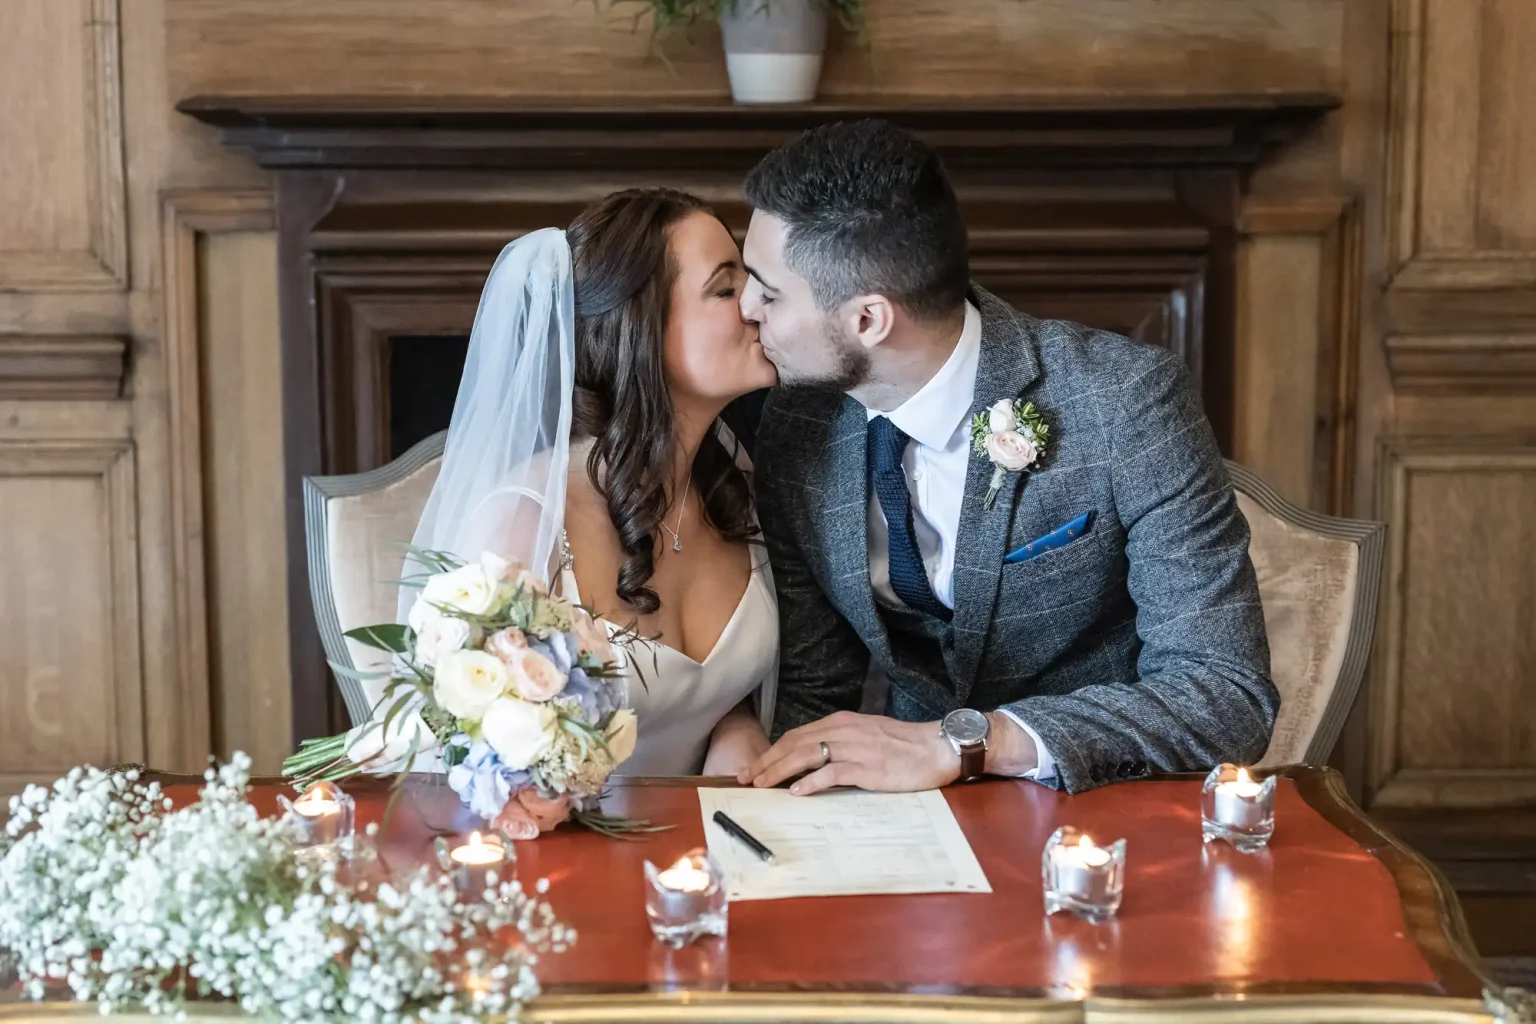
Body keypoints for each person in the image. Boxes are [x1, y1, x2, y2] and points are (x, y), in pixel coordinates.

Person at [735, 119, 1278, 796]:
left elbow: (1226, 694)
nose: (744, 308)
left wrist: (973, 742)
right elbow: (816, 683)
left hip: (1095, 808)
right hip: (897, 823)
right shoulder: (797, 417)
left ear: (869, 319)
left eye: (768, 290)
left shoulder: (1123, 401)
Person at [401, 188, 778, 777]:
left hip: (719, 844)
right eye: (725, 289)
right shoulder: (524, 524)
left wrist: (736, 725)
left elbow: (713, 691)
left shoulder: (735, 483)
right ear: (641, 328)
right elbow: (473, 760)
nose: (756, 306)